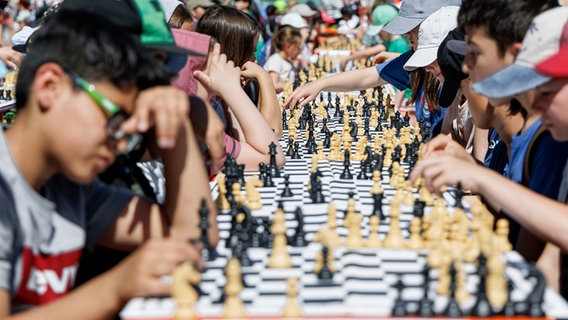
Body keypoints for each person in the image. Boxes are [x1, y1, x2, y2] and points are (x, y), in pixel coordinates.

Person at [0, 9, 204, 318]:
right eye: (112, 119)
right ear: (50, 87)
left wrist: (177, 128)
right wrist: (114, 289)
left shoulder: (68, 188)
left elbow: (192, 236)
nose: (120, 144)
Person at [410, 41, 568, 297]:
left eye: (548, 91)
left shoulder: (549, 144)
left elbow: (527, 253)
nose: (537, 106)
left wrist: (479, 176)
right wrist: (473, 169)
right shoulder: (528, 139)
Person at [283, 0, 461, 133]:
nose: (407, 34)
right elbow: (369, 76)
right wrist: (319, 84)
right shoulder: (415, 60)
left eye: (414, 27)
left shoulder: (461, 79)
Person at [264, 26, 303, 94]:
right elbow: (274, 85)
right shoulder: (275, 60)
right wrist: (295, 85)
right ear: (288, 47)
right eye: (298, 48)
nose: (299, 51)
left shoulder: (287, 61)